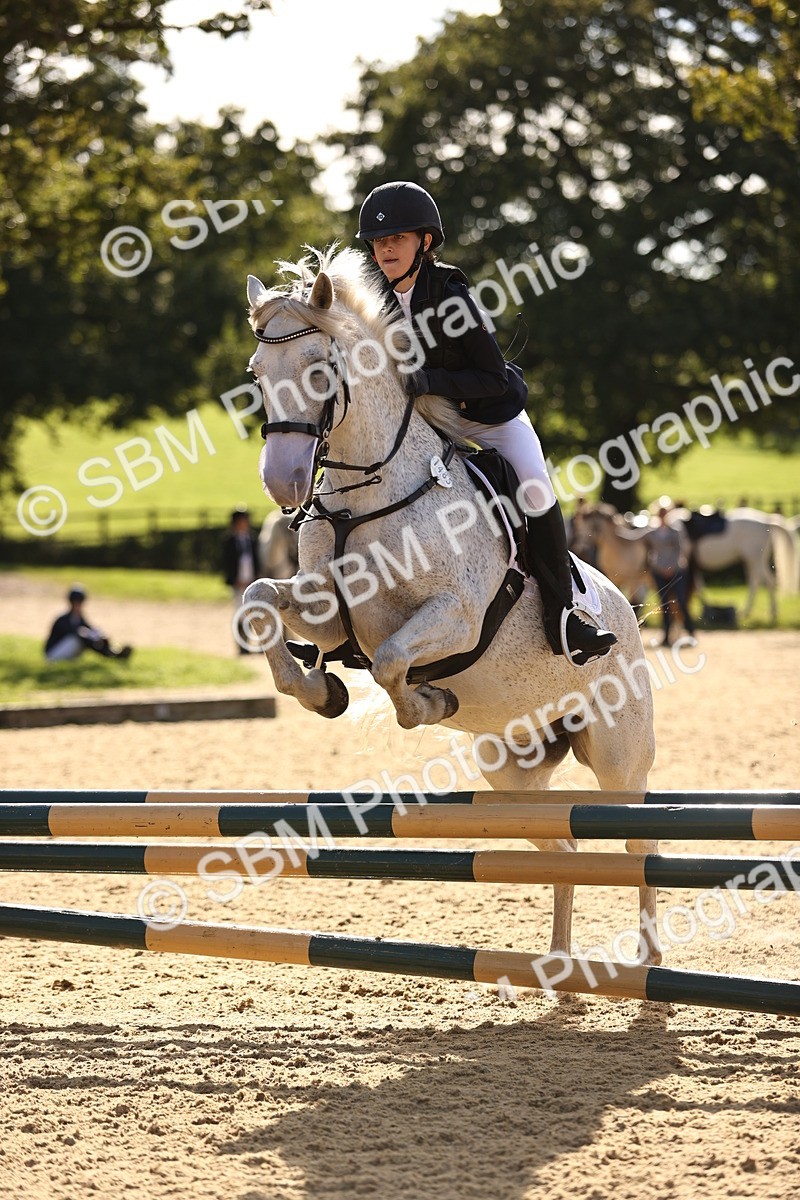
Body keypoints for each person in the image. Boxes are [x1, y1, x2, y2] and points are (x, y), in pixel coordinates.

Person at [357, 180, 617, 666]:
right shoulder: (375, 300)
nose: (385, 248)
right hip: (429, 425)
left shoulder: (452, 295)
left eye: (397, 238)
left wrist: (426, 379)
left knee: (536, 490)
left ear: (425, 243)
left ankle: (567, 615)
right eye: (378, 241)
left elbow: (492, 378)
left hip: (489, 417)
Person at [645, 505, 697, 647]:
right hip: (659, 571)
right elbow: (637, 540)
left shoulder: (675, 531)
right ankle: (667, 636)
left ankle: (691, 633)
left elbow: (680, 551)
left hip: (676, 571)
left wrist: (671, 567)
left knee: (681, 601)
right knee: (664, 605)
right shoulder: (652, 532)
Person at [44, 586, 132, 661]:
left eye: (80, 602)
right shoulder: (63, 619)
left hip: (67, 651)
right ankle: (111, 655)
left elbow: (90, 629)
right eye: (76, 602)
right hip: (53, 655)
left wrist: (101, 636)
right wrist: (94, 638)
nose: (78, 605)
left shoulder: (79, 617)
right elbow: (78, 633)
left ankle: (113, 652)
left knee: (90, 637)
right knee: (82, 638)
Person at [223, 507, 260, 653]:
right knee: (240, 613)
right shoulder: (229, 541)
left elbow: (256, 560)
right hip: (238, 583)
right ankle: (242, 645)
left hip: (251, 580)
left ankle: (251, 642)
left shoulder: (252, 539)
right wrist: (234, 579)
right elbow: (227, 563)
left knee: (252, 613)